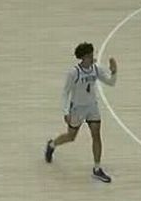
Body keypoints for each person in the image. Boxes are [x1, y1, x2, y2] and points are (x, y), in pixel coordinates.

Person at [44, 42, 118, 183]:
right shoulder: (74, 73)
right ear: (83, 57)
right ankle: (52, 144)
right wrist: (66, 112)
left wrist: (114, 72)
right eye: (89, 55)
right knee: (71, 137)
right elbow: (65, 92)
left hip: (92, 107)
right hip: (77, 108)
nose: (92, 57)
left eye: (92, 54)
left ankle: (97, 168)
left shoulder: (96, 69)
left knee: (96, 135)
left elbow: (111, 82)